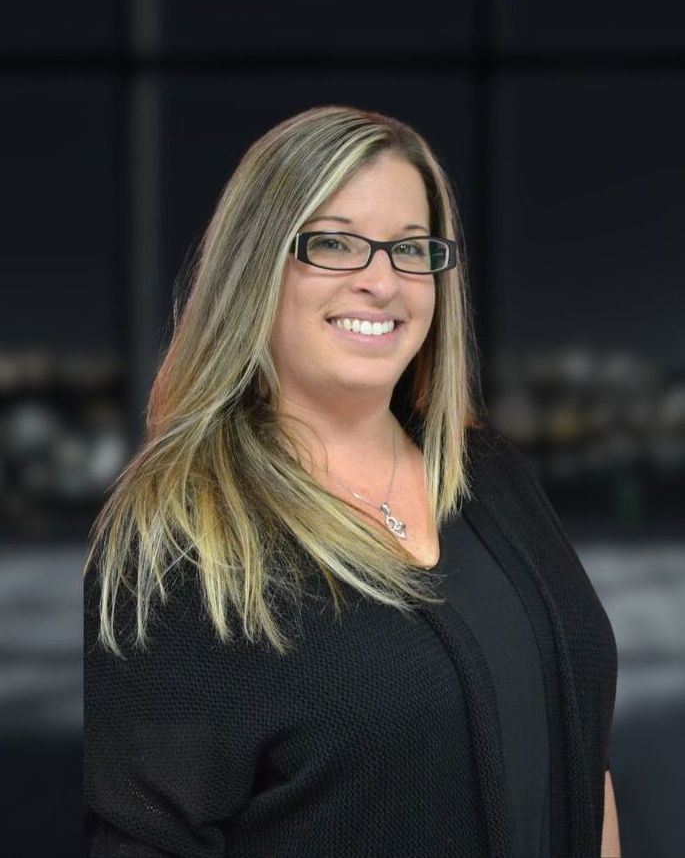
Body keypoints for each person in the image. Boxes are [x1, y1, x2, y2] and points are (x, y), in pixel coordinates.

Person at [83, 105, 621, 857]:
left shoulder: (489, 478)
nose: (381, 282)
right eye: (334, 244)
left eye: (410, 249)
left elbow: (578, 746)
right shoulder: (184, 538)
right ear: (256, 267)